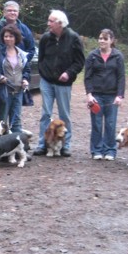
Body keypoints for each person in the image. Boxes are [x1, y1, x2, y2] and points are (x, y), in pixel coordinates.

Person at [33, 10, 85, 157]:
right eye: (48, 20)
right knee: (45, 114)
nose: (48, 24)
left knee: (64, 115)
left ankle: (65, 145)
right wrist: (44, 73)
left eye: (51, 21)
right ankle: (43, 144)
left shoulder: (74, 38)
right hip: (47, 81)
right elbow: (41, 59)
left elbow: (80, 62)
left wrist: (68, 73)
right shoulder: (45, 38)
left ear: (60, 23)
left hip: (64, 84)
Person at [84, 29, 125, 161]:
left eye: (105, 38)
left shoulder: (118, 56)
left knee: (110, 124)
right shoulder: (92, 56)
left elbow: (121, 77)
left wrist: (120, 95)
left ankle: (110, 150)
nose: (101, 41)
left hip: (112, 96)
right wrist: (89, 94)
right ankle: (96, 150)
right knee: (96, 123)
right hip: (96, 95)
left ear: (111, 41)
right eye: (100, 38)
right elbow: (87, 77)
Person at [0, 24, 30, 134]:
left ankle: (16, 145)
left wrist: (25, 79)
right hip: (3, 91)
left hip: (18, 91)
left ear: (16, 38)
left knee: (16, 121)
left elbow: (26, 70)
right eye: (6, 36)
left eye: (11, 36)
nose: (8, 38)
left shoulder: (21, 54)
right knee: (1, 121)